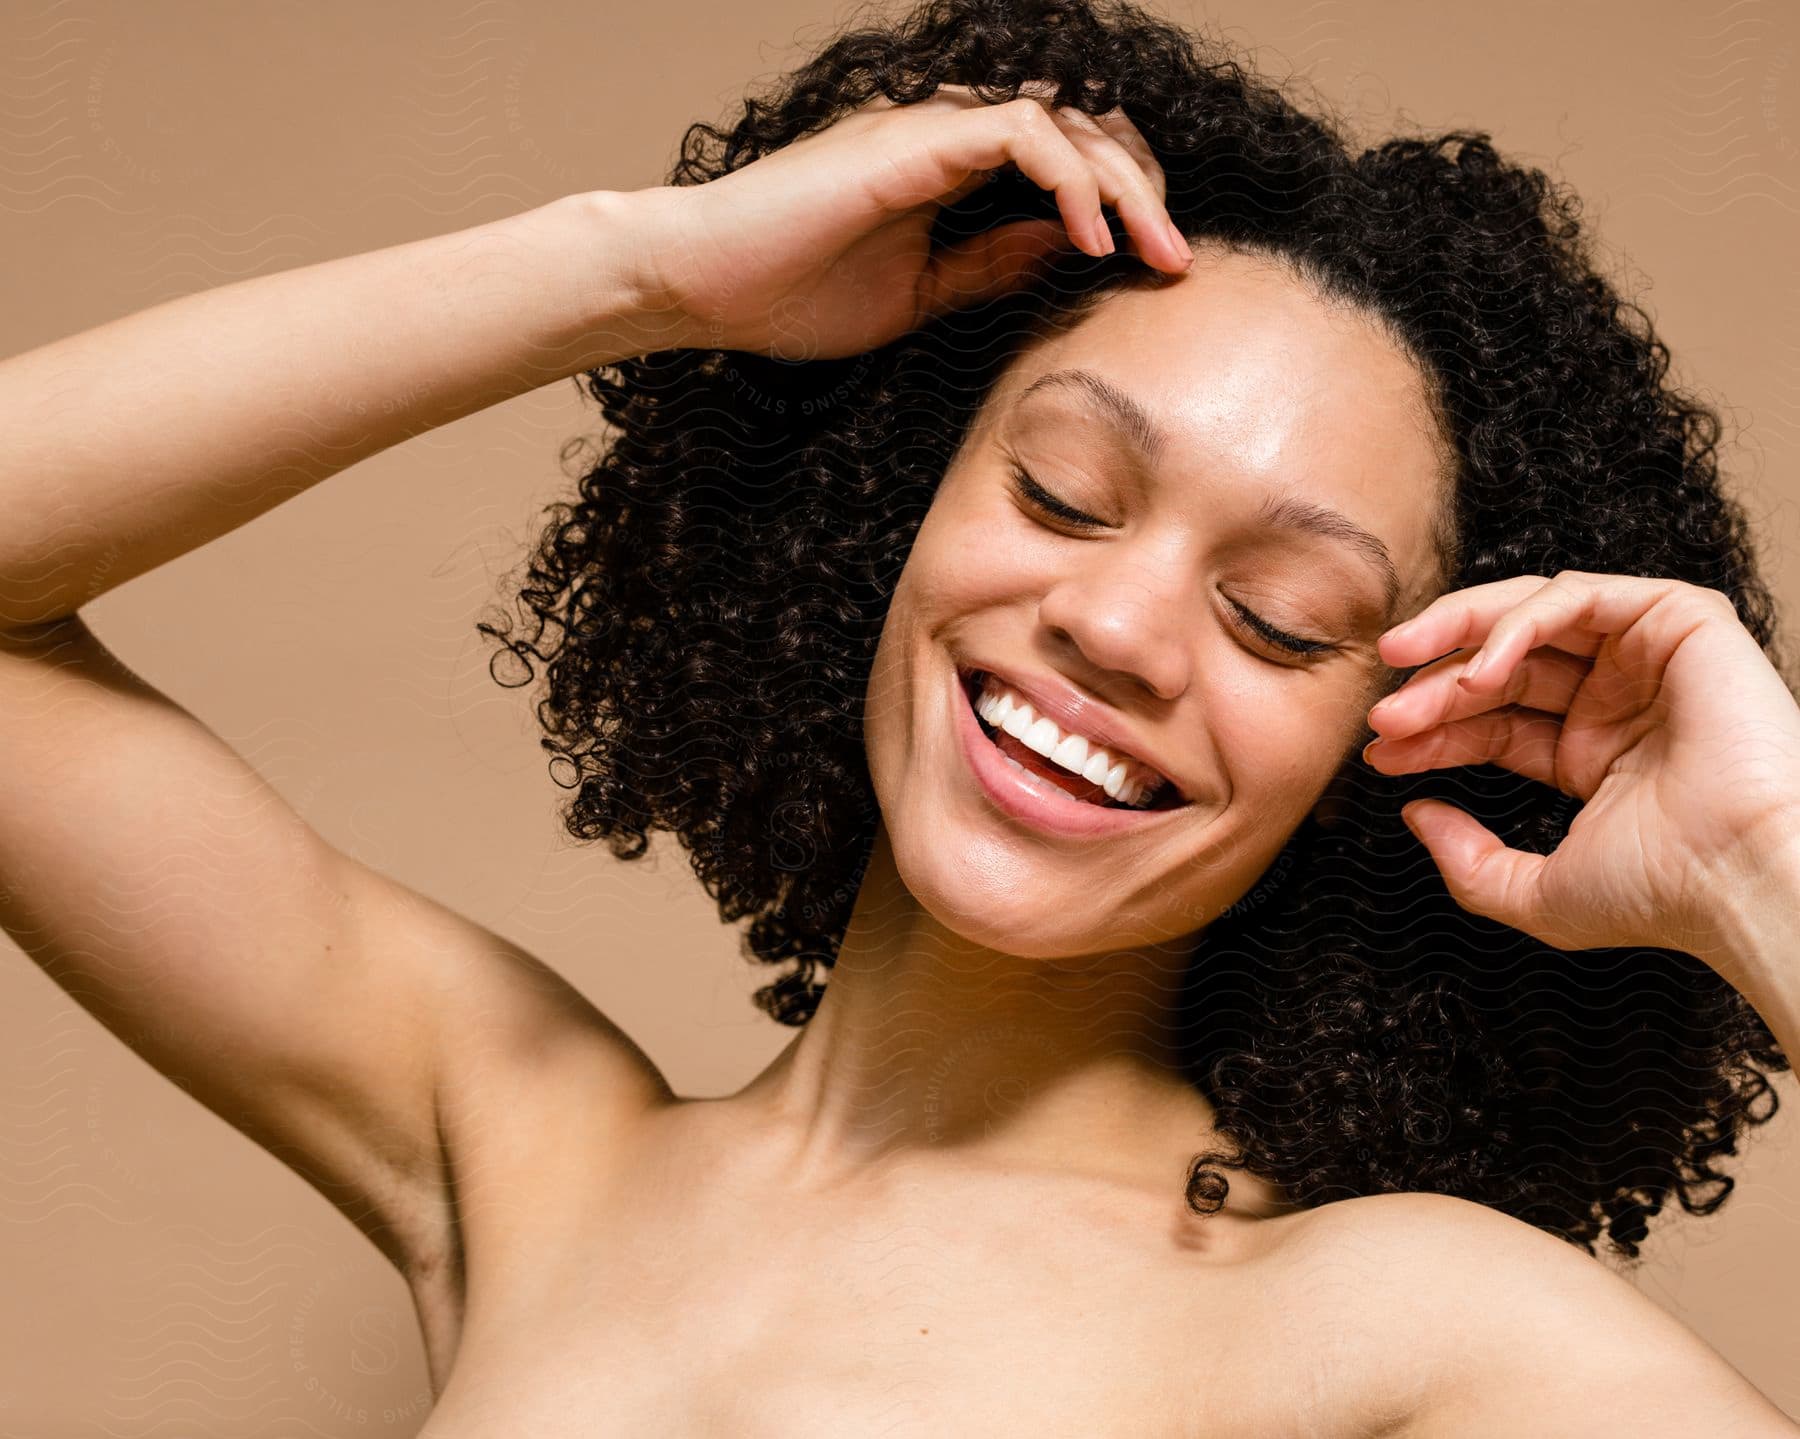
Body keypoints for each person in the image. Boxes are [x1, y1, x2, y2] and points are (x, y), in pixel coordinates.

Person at [2, 0, 1797, 1431]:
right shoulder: (529, 1152)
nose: (1115, 624)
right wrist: (645, 271)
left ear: (1376, 753)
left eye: (1278, 617)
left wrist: (1760, 868)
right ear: (884, 515)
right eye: (1065, 494)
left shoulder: (1389, 1329)